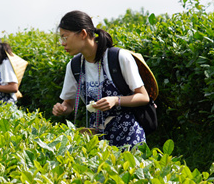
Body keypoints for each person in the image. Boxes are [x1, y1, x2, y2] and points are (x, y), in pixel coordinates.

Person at [52, 10, 149, 147]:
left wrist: (116, 100)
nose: (62, 43)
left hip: (128, 137)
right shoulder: (74, 66)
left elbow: (143, 97)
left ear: (83, 34)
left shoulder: (119, 58)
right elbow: (69, 104)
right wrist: (62, 108)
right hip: (97, 140)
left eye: (65, 37)